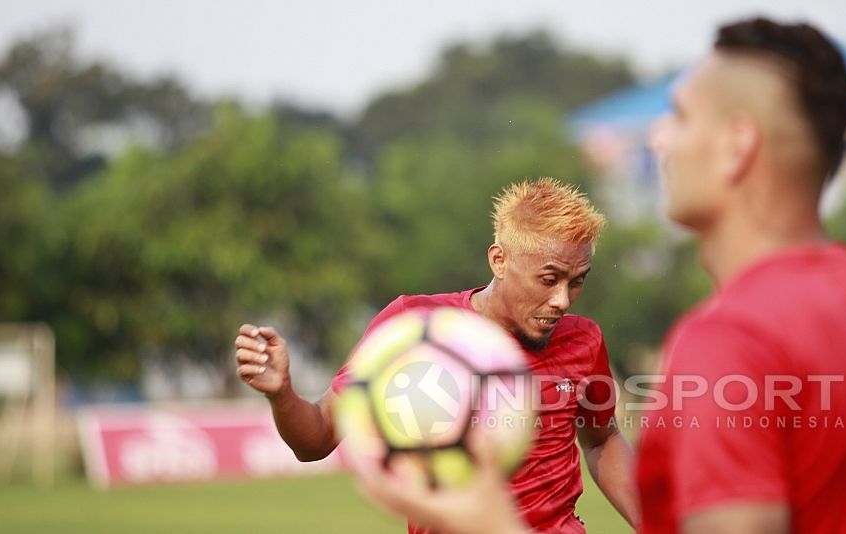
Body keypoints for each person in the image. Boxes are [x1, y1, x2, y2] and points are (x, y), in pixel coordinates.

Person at [355, 17, 846, 534]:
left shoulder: (728, 343)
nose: (659, 136)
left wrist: (489, 522)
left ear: (737, 145)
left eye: (680, 116)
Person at [234, 177, 640, 533]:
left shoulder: (584, 341)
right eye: (549, 279)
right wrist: (281, 393)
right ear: (499, 260)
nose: (562, 300)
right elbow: (317, 439)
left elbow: (603, 442)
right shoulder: (415, 327)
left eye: (577, 282)